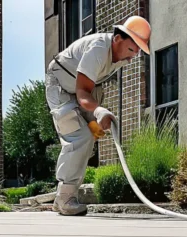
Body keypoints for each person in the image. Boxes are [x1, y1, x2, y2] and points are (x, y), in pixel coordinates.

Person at [45, 15, 151, 215]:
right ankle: (65, 199)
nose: (131, 58)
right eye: (131, 50)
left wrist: (97, 117)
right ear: (118, 38)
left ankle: (65, 198)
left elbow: (90, 88)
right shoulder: (98, 49)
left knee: (91, 136)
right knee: (79, 136)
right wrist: (99, 110)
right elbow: (82, 92)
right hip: (60, 86)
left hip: (81, 88)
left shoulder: (119, 55)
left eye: (136, 53)